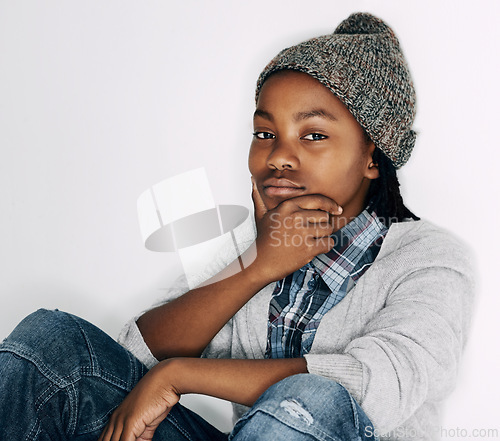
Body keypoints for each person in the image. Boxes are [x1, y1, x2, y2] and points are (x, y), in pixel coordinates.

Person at [0, 12, 474, 441]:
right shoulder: (256, 249)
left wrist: (179, 376)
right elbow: (129, 356)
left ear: (373, 155)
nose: (279, 156)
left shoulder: (431, 259)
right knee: (52, 341)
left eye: (313, 135)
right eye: (265, 133)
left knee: (311, 400)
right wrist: (256, 268)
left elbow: (376, 383)